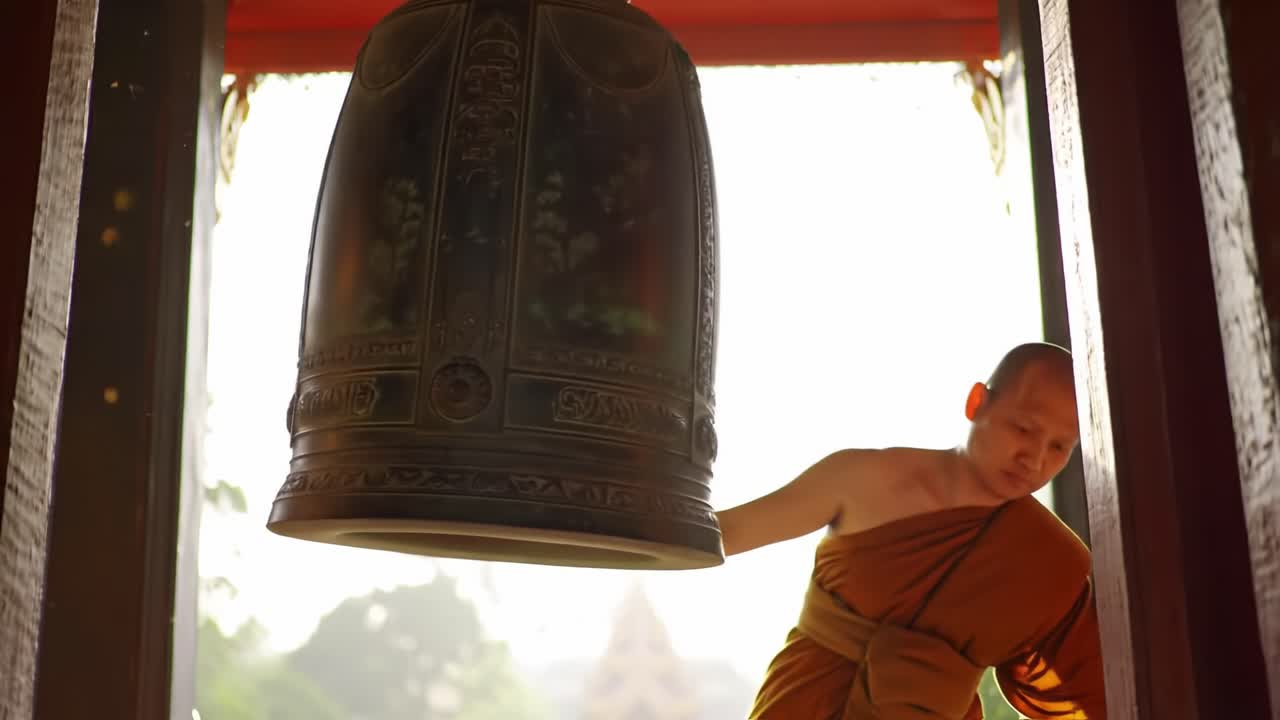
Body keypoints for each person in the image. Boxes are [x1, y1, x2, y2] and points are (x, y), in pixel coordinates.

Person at [716, 342, 1105, 719]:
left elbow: (1097, 692)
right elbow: (717, 534)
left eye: (1059, 447)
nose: (1034, 459)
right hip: (802, 700)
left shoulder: (1048, 558)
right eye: (1023, 428)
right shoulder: (862, 480)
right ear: (976, 403)